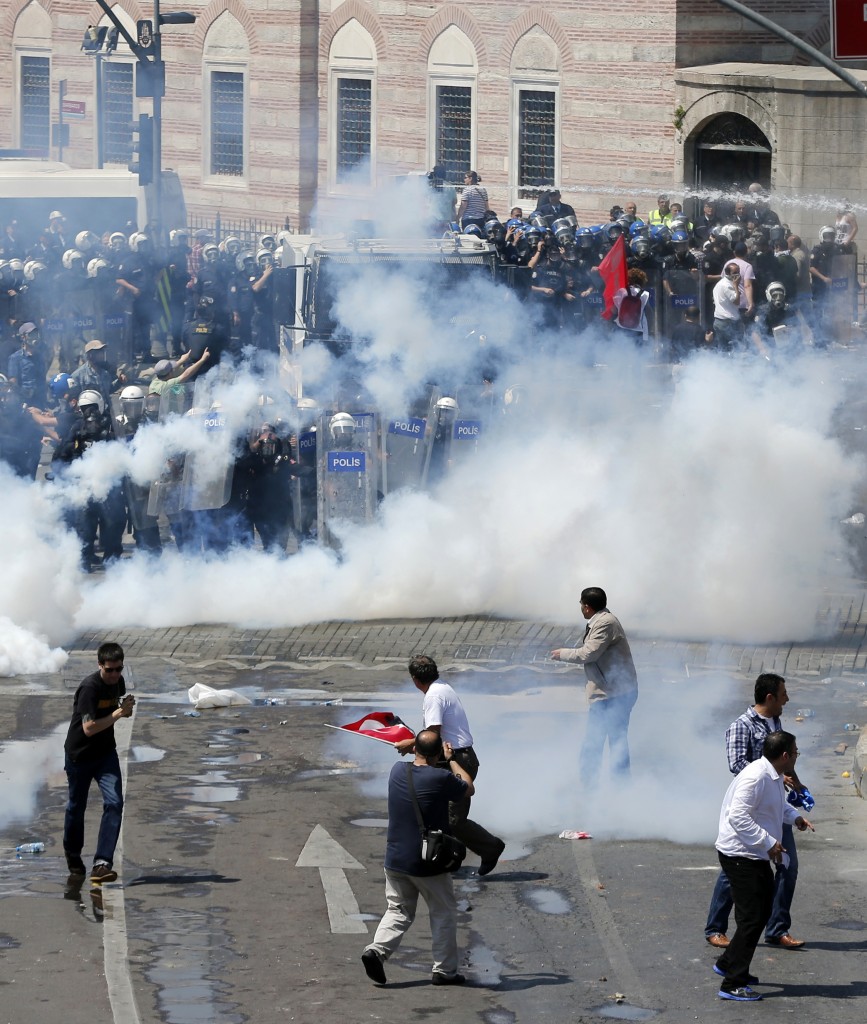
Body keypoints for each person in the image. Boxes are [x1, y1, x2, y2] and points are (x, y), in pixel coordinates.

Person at [362, 728, 474, 987]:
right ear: (438, 755)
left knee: (398, 909)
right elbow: (468, 787)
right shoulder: (441, 778)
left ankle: (376, 951)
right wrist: (453, 758)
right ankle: (445, 971)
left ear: (415, 750)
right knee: (443, 912)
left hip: (395, 859)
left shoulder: (396, 771)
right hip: (428, 861)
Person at [705, 673, 809, 950]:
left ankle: (777, 929)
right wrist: (769, 774)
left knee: (788, 867)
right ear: (770, 697)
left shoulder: (774, 721)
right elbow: (736, 763)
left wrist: (794, 782)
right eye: (783, 694)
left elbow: (783, 757)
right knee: (735, 871)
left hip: (776, 807)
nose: (787, 698)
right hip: (754, 811)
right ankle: (715, 928)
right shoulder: (741, 726)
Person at [713, 730, 814, 1002]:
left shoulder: (774, 775)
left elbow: (775, 807)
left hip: (754, 854)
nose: (796, 757)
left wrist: (796, 819)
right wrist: (768, 841)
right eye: (795, 753)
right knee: (753, 917)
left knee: (761, 911)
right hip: (741, 854)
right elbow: (738, 817)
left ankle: (727, 962)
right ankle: (732, 982)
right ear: (785, 756)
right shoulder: (756, 776)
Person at [394, 655, 506, 876]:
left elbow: (433, 732)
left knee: (454, 820)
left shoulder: (434, 696)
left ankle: (491, 847)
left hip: (457, 760)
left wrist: (411, 744)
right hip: (447, 758)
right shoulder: (441, 688)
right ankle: (442, 858)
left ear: (415, 679)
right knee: (435, 812)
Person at [63, 642, 136, 884]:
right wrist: (118, 713)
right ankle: (73, 855)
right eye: (110, 670)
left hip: (105, 755)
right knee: (76, 808)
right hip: (80, 756)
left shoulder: (118, 683)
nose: (115, 675)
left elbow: (117, 711)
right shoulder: (89, 688)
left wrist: (126, 708)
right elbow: (89, 728)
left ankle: (102, 863)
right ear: (100, 666)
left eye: (118, 669)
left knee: (115, 803)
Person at [551, 587, 639, 785]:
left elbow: (588, 654)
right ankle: (617, 786)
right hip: (613, 692)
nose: (581, 608)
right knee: (613, 741)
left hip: (612, 695)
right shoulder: (602, 620)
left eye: (581, 604)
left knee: (598, 742)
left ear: (587, 607)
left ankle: (592, 788)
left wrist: (562, 654)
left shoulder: (605, 623)